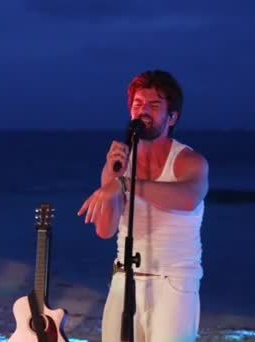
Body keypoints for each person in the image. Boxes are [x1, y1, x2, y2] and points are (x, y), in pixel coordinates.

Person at [77, 70, 209, 342]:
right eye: (137, 105)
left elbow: (188, 197)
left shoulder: (189, 161)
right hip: (124, 278)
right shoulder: (121, 164)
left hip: (174, 283)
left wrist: (125, 185)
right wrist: (112, 176)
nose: (143, 111)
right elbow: (105, 230)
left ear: (172, 117)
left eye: (154, 105)